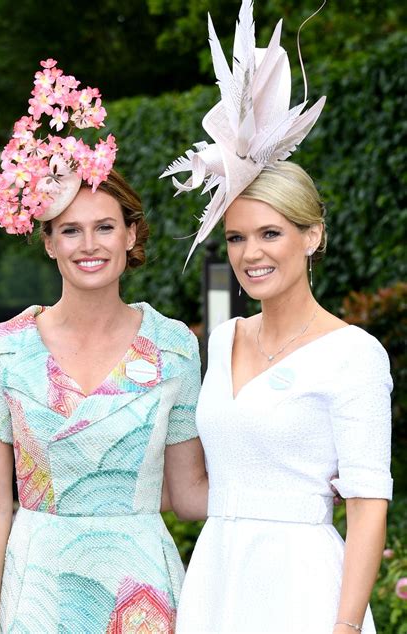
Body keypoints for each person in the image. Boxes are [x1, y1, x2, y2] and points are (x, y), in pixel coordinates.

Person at [161, 3, 393, 633]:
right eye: (236, 238)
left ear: (312, 236)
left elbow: (369, 506)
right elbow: (191, 485)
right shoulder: (223, 339)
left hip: (305, 589)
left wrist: (344, 626)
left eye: (270, 233)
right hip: (215, 579)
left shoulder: (356, 354)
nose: (251, 254)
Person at [0, 60, 207, 633]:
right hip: (37, 594)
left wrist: (302, 478)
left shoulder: (175, 347)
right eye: (70, 230)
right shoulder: (3, 351)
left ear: (130, 234)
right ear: (47, 242)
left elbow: (189, 493)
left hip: (141, 592)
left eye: (104, 226)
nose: (89, 245)